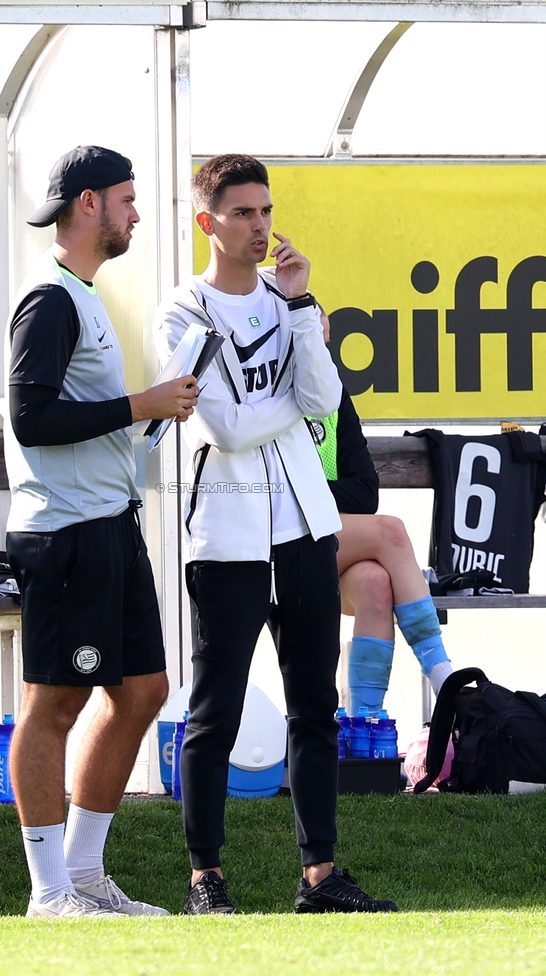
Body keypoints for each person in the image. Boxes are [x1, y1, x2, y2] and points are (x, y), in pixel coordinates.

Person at [154, 153, 397, 915]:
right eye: (243, 214)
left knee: (312, 708)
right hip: (225, 537)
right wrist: (293, 390)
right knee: (215, 708)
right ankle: (206, 879)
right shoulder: (182, 312)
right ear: (208, 223)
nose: (261, 227)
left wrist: (300, 310)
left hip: (304, 529)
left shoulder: (289, 297)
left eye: (266, 211)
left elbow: (323, 398)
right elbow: (222, 426)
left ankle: (320, 878)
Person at [4, 145, 199, 918]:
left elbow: (80, 418)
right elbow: (32, 418)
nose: (136, 214)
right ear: (88, 204)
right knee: (53, 703)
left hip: (110, 528)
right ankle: (49, 892)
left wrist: (146, 419)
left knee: (144, 690)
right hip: (65, 537)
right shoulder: (49, 299)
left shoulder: (83, 296)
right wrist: (139, 406)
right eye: (126, 200)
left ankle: (85, 876)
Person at [308, 308, 453, 716]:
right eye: (306, 336)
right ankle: (444, 678)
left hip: (328, 541)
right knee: (390, 531)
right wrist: (321, 498)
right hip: (276, 544)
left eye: (323, 337)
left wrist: (315, 495)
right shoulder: (272, 397)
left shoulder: (334, 396)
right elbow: (278, 496)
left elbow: (365, 493)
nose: (318, 346)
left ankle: (364, 723)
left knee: (374, 582)